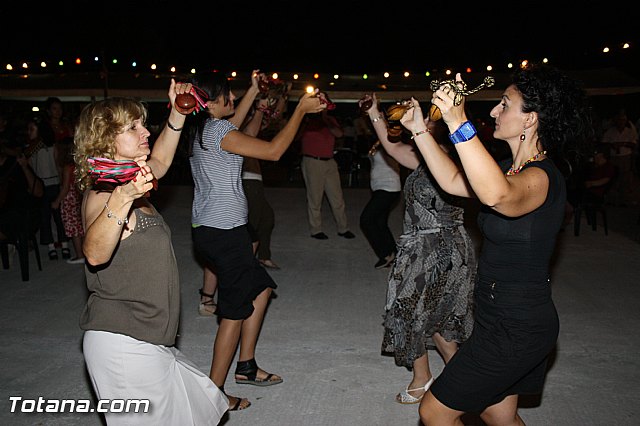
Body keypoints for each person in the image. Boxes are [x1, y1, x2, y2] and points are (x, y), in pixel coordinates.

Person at [400, 64, 592, 425]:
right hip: (494, 315)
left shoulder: (541, 177)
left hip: (518, 326)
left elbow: (497, 196)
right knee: (499, 414)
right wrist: (420, 131)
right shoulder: (511, 168)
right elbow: (456, 180)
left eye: (504, 104)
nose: (494, 111)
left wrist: (459, 121)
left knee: (434, 411)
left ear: (530, 119)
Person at [75, 79, 228, 425]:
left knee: (200, 405)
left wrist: (177, 112)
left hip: (148, 340)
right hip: (123, 346)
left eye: (143, 123)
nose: (145, 130)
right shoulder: (105, 192)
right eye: (133, 127)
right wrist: (122, 197)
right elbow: (95, 254)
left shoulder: (130, 178)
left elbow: (159, 159)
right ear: (105, 139)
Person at [185, 70, 324, 411]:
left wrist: (251, 90)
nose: (233, 102)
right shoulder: (219, 131)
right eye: (228, 97)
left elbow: (234, 116)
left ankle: (245, 366)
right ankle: (214, 394)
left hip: (210, 229)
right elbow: (275, 151)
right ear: (212, 103)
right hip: (225, 235)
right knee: (233, 313)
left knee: (261, 288)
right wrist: (300, 112)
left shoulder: (201, 130)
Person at [360, 94, 476, 405]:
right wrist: (374, 113)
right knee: (427, 317)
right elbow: (392, 146)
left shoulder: (452, 161)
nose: (417, 120)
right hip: (417, 247)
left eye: (425, 118)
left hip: (442, 250)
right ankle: (454, 378)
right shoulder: (424, 158)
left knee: (413, 313)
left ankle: (431, 378)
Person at [295, 92, 356, 240]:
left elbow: (339, 134)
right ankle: (316, 229)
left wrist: (325, 119)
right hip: (312, 161)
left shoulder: (330, 120)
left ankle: (343, 228)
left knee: (337, 197)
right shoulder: (306, 120)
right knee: (315, 198)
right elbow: (296, 137)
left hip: (329, 161)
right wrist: (307, 118)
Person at [26, 114, 70, 260]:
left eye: (32, 129)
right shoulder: (34, 149)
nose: (29, 132)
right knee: (46, 218)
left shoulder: (48, 146)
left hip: (52, 184)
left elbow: (58, 165)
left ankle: (63, 245)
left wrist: (62, 183)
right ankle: (54, 246)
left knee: (57, 217)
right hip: (43, 186)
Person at [359, 137, 401, 269]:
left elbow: (395, 160)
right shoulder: (377, 142)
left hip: (389, 187)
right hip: (380, 187)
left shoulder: (390, 143)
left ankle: (385, 255)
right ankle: (395, 254)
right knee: (380, 223)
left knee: (366, 220)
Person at [52, 136, 84, 264]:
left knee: (74, 228)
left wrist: (57, 201)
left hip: (70, 198)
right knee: (81, 226)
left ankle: (80, 255)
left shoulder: (68, 167)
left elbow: (65, 188)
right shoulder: (79, 164)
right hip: (78, 196)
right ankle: (84, 252)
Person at [600, 108, 638, 206]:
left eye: (623, 120)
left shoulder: (629, 131)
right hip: (614, 157)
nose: (621, 122)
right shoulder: (610, 131)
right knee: (613, 178)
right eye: (620, 120)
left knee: (625, 178)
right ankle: (612, 199)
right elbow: (604, 143)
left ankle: (625, 199)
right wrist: (612, 145)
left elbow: (634, 144)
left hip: (625, 156)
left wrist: (624, 143)